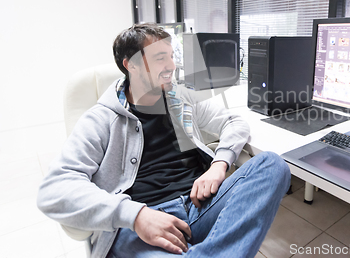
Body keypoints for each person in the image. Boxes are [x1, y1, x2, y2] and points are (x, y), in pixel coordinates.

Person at [37, 23, 291, 258]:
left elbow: (234, 122)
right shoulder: (100, 120)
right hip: (138, 225)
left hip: (198, 206)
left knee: (272, 165)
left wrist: (218, 165)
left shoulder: (180, 99)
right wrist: (136, 216)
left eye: (171, 56)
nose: (172, 65)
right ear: (131, 65)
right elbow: (54, 190)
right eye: (160, 58)